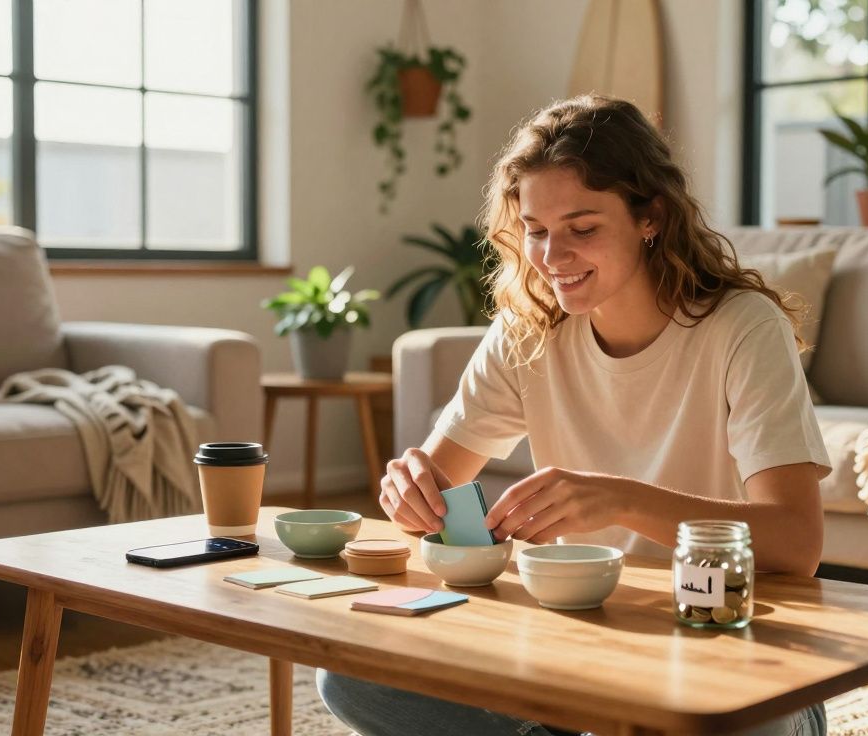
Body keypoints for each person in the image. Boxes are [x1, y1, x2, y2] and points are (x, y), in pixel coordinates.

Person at [317, 93, 832, 736]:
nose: (552, 256)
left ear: (652, 218)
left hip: (728, 647)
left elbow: (796, 544)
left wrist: (618, 500)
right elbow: (440, 484)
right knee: (352, 678)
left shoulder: (740, 329)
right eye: (536, 230)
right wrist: (411, 492)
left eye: (582, 228)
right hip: (581, 653)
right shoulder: (527, 331)